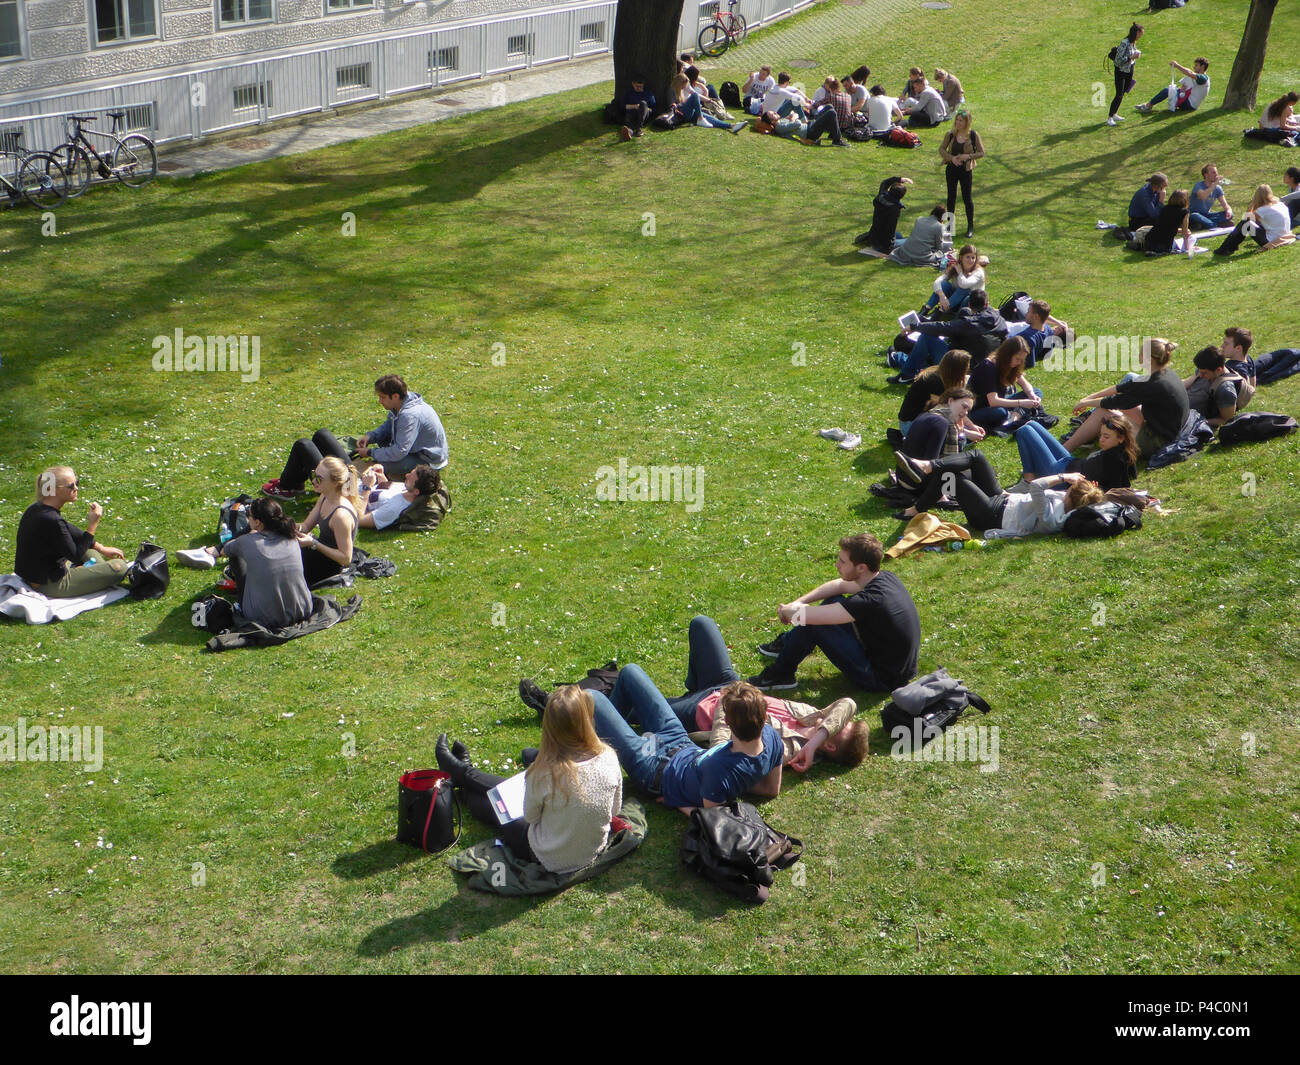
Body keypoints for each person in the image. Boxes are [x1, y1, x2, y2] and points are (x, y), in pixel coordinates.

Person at [435, 686, 623, 873]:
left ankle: (461, 779)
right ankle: (462, 772)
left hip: (548, 856)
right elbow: (615, 809)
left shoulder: (545, 772)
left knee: (500, 806)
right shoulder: (608, 756)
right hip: (591, 850)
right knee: (506, 794)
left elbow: (531, 816)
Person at [748, 533, 921, 693]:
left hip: (881, 679)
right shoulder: (883, 577)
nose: (837, 564)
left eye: (843, 562)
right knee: (832, 600)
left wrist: (786, 611)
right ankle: (788, 643)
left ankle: (781, 674)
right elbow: (838, 586)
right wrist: (798, 603)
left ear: (861, 568)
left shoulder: (869, 601)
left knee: (813, 625)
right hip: (896, 667)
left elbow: (808, 617)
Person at [591, 672, 784, 812]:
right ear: (765, 716)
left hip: (652, 769)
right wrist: (737, 783)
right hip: (681, 742)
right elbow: (771, 789)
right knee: (629, 673)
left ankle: (590, 756)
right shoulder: (772, 738)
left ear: (726, 723)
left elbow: (712, 821)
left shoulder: (717, 769)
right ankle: (604, 733)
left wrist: (678, 802)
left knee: (592, 698)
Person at [263, 374, 448, 500]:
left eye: (383, 397)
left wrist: (371, 453)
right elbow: (390, 426)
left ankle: (289, 486)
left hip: (419, 460)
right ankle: (292, 485)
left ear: (395, 396)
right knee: (321, 435)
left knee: (303, 445)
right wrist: (371, 436)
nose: (380, 401)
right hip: (362, 477)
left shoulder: (410, 415)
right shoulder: (402, 405)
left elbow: (400, 451)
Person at [894, 452, 1104, 537]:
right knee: (976, 456)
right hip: (1003, 500)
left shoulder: (1053, 519)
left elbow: (1036, 486)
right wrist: (1094, 492)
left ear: (1071, 495)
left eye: (1068, 490)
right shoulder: (1072, 506)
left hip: (990, 515)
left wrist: (1063, 476)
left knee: (953, 478)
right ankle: (927, 466)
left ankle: (916, 509)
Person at [1061, 338, 1189, 459]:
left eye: (1140, 353)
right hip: (1166, 428)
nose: (1138, 355)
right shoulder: (1164, 372)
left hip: (1157, 442)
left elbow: (1114, 402)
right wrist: (1088, 398)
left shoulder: (1153, 384)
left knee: (1103, 412)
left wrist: (1087, 403)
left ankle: (1063, 451)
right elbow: (1124, 387)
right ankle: (1083, 436)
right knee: (1115, 401)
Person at [14, 466, 128, 597]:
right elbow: (75, 556)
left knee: (89, 548)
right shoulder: (52, 520)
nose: (76, 488)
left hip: (38, 575)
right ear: (52, 489)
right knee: (120, 568)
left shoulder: (37, 508)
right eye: (71, 486)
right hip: (50, 584)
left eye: (77, 483)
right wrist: (93, 524)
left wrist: (101, 548)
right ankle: (98, 573)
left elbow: (69, 529)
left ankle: (96, 573)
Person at [220, 498, 314, 629]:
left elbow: (225, 550)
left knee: (236, 557)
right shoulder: (291, 536)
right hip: (303, 609)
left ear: (257, 522)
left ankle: (242, 603)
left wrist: (250, 534)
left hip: (263, 618)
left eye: (249, 515)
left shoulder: (247, 541)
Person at [890, 289, 1007, 382]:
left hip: (962, 368)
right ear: (987, 304)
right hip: (986, 368)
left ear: (970, 304)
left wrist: (914, 326)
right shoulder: (1000, 321)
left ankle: (906, 375)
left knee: (927, 338)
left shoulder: (968, 324)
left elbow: (941, 327)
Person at [1014, 411, 1137, 490]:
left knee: (1024, 431)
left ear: (1121, 438)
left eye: (1106, 437)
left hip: (1061, 476)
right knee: (1032, 424)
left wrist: (1094, 488)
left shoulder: (1115, 459)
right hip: (1070, 461)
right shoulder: (1124, 450)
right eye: (1101, 435)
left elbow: (1116, 488)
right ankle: (1031, 475)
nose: (1101, 440)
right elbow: (1130, 473)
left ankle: (1028, 480)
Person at [296, 456, 359, 585]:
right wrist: (290, 527)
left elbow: (346, 559)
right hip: (318, 551)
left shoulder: (340, 516)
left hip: (330, 567)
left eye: (319, 478)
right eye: (314, 474)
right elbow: (307, 526)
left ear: (335, 483)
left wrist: (313, 543)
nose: (313, 480)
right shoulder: (324, 497)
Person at [967, 335, 1046, 433]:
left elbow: (1024, 383)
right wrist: (1021, 403)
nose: (1020, 362)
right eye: (1017, 359)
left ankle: (1013, 417)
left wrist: (1031, 395)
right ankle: (1014, 415)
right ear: (1007, 355)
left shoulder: (1011, 365)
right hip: (982, 408)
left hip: (1001, 402)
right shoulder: (988, 367)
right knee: (1000, 413)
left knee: (1036, 391)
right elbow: (993, 401)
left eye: (1022, 360)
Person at [896, 387, 986, 463]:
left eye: (968, 410)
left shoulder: (932, 413)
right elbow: (933, 463)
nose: (965, 413)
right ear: (950, 401)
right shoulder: (943, 423)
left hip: (908, 473)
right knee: (976, 459)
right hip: (921, 477)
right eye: (964, 406)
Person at [897, 349, 971, 435]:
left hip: (927, 421)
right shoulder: (933, 381)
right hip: (911, 425)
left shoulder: (945, 378)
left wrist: (972, 426)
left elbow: (957, 409)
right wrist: (965, 431)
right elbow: (945, 411)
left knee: (964, 435)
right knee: (960, 437)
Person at [356, 463, 447, 530]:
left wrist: (366, 487)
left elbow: (359, 520)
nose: (406, 475)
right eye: (410, 473)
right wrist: (381, 477)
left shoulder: (393, 509)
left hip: (347, 495)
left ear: (416, 491)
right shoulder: (406, 489)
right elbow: (385, 494)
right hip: (355, 484)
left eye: (410, 477)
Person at [1214, 184, 1297, 256]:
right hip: (1284, 235)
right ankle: (1231, 246)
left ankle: (1225, 248)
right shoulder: (1280, 204)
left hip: (1272, 240)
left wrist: (1253, 204)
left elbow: (1246, 217)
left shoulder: (1262, 209)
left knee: (1246, 223)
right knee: (1248, 223)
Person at [939, 110, 984, 238]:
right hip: (952, 170)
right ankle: (949, 226)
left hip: (966, 171)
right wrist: (951, 158)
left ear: (967, 122)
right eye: (957, 120)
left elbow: (981, 153)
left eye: (961, 121)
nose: (958, 123)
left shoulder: (973, 135)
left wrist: (968, 156)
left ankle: (970, 226)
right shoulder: (951, 134)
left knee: (967, 198)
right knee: (951, 197)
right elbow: (941, 149)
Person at [658, 74, 747, 133]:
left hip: (688, 112)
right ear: (678, 83)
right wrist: (686, 103)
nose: (684, 88)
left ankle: (732, 126)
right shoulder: (671, 90)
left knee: (709, 118)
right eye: (683, 86)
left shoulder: (684, 88)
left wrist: (708, 99)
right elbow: (673, 107)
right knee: (695, 96)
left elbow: (693, 94)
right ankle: (700, 119)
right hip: (681, 114)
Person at [1182, 346, 1244, 428]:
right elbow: (1186, 383)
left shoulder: (1226, 390)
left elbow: (1226, 419)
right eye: (1199, 371)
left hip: (1188, 421)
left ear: (1218, 370)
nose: (1200, 375)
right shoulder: (1206, 370)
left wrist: (1196, 423)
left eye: (1204, 373)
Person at [923, 242, 984, 314]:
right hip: (953, 302)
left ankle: (938, 313)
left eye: (973, 258)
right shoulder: (955, 267)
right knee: (944, 284)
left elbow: (964, 285)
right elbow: (937, 282)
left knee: (965, 290)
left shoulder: (978, 272)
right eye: (968, 257)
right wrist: (942, 296)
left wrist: (960, 273)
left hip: (969, 305)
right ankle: (925, 310)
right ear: (961, 258)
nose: (971, 260)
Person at [857, 174, 911, 254]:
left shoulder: (881, 196)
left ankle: (871, 240)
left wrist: (900, 179)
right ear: (901, 196)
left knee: (899, 235)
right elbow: (890, 230)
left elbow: (885, 183)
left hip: (874, 236)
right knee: (911, 241)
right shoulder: (894, 210)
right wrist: (889, 246)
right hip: (882, 245)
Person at [1135, 57, 1211, 114]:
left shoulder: (1203, 78)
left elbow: (1190, 73)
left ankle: (1148, 106)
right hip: (1190, 103)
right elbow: (1190, 72)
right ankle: (1148, 105)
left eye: (1196, 65)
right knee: (1172, 89)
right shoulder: (1202, 77)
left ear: (1202, 66)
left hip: (1189, 105)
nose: (1194, 67)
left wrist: (1177, 65)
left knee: (1168, 90)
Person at [1107, 23, 1143, 125]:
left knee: (1122, 94)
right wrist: (1131, 58)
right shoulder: (1124, 43)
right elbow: (1118, 61)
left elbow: (1132, 52)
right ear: (1136, 33)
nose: (1141, 36)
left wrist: (1136, 53)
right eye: (1140, 34)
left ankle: (1114, 114)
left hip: (1129, 70)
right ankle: (1110, 117)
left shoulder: (1133, 42)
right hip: (1120, 71)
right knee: (1119, 94)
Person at [1140, 187, 1191, 255]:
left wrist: (1179, 230)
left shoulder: (1164, 208)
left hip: (1149, 241)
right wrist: (1188, 248)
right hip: (1163, 244)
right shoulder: (1184, 212)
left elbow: (1163, 225)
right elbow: (1185, 233)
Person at [1220, 326, 1257, 409]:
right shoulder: (1248, 359)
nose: (1222, 346)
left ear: (1238, 348)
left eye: (1226, 344)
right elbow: (1252, 385)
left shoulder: (1235, 370)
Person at [1188, 164, 1233, 230]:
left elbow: (1225, 204)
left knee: (1230, 215)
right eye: (1213, 172)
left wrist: (1229, 210)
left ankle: (1204, 225)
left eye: (1216, 172)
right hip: (1194, 214)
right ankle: (1216, 225)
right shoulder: (1198, 185)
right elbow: (1203, 196)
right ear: (1206, 175)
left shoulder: (1217, 188)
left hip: (1207, 215)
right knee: (1195, 215)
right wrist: (1214, 184)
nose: (1216, 175)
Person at [619, 76, 656, 140]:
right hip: (632, 114)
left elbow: (653, 108)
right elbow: (623, 106)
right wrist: (635, 106)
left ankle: (639, 128)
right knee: (630, 126)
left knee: (643, 103)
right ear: (633, 84)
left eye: (640, 87)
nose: (639, 88)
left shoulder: (648, 94)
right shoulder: (629, 93)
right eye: (637, 86)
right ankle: (629, 133)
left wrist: (643, 108)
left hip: (643, 115)